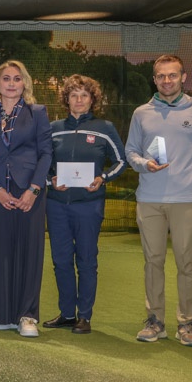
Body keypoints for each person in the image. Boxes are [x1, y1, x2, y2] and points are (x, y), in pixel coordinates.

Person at [125, 54, 192, 347]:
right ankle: (155, 321)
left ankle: (187, 323)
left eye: (172, 75)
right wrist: (144, 164)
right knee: (153, 262)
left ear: (183, 77)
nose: (166, 80)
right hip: (149, 199)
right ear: (154, 79)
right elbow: (131, 151)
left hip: (186, 200)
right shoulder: (141, 113)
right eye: (161, 76)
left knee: (186, 263)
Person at [43, 75, 127, 335]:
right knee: (61, 260)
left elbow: (121, 161)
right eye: (73, 95)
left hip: (89, 206)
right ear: (66, 99)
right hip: (57, 205)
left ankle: (84, 316)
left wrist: (103, 178)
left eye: (84, 95)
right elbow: (41, 162)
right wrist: (50, 180)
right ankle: (67, 314)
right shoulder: (53, 128)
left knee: (87, 261)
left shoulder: (105, 128)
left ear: (93, 100)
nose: (79, 100)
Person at [0, 60, 52, 338]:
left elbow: (46, 153)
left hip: (29, 192)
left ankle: (27, 316)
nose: (11, 83)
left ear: (24, 83)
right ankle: (0, 314)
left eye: (17, 78)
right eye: (5, 78)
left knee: (29, 254)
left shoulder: (37, 112)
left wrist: (33, 189)